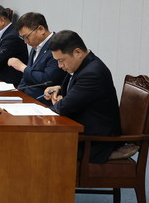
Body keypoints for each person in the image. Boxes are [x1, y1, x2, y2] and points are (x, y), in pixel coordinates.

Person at [44, 30, 121, 163]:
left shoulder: (92, 73)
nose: (60, 66)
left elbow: (63, 107)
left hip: (95, 142)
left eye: (61, 60)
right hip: (82, 128)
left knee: (42, 145)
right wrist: (60, 89)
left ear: (78, 52)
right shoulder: (84, 65)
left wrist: (59, 102)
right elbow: (77, 91)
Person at [7, 12, 66, 102]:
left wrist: (22, 67)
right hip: (26, 99)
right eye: (23, 38)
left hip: (43, 101)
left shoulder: (56, 46)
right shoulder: (35, 47)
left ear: (41, 29)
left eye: (26, 37)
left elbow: (47, 79)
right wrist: (18, 94)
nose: (25, 42)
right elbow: (26, 78)